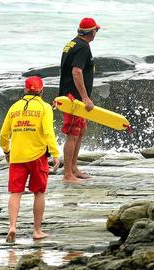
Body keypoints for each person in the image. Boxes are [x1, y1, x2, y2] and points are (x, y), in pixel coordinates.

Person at [0, 76, 60, 243]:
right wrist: (55, 153)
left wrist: (6, 151)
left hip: (17, 156)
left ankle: (12, 226)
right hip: (38, 157)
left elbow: (4, 134)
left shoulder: (14, 107)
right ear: (41, 90)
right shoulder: (44, 107)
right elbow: (48, 132)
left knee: (15, 193)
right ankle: (37, 231)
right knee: (39, 192)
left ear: (26, 90)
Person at [58, 17, 100, 184]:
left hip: (71, 96)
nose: (97, 33)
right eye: (96, 30)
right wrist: (84, 97)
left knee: (80, 131)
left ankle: (74, 168)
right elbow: (76, 72)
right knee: (73, 133)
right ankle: (67, 174)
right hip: (73, 98)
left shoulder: (72, 43)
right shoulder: (83, 47)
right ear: (91, 32)